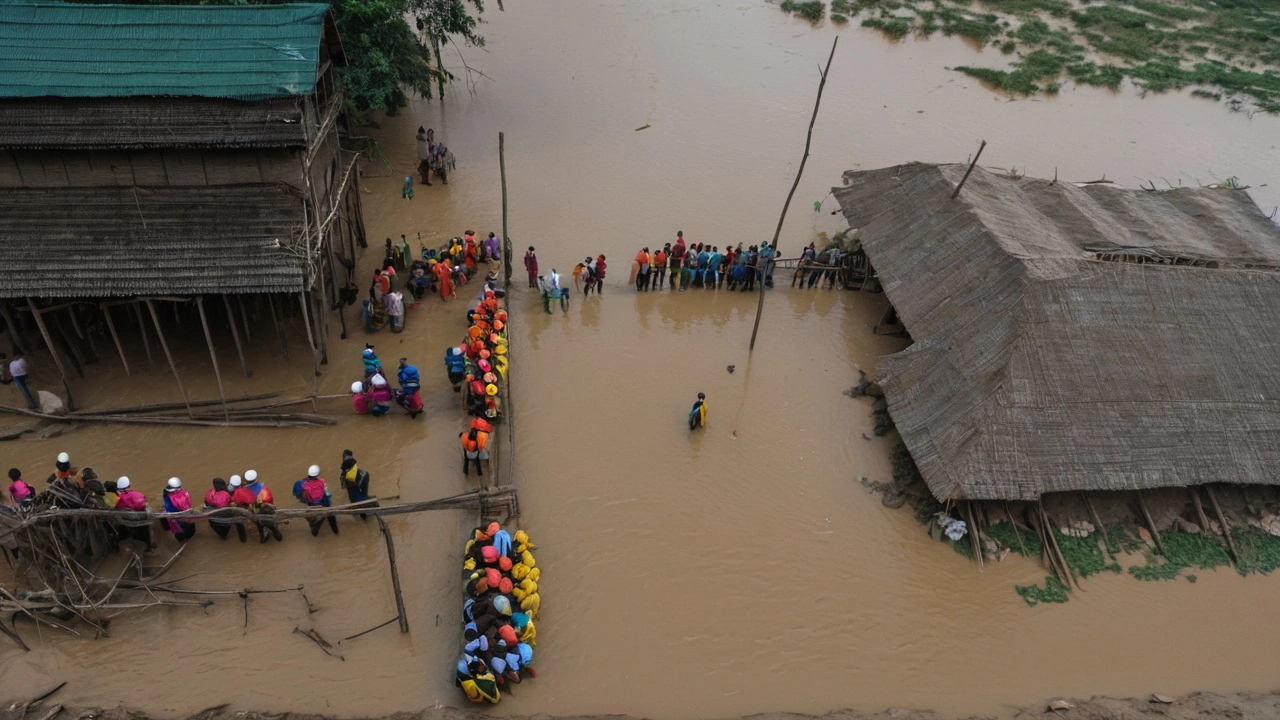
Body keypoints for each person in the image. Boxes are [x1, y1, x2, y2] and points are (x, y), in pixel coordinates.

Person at [293, 465, 338, 536]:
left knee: (316, 519)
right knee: (331, 517)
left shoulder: (300, 483)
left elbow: (296, 494)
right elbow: (327, 494)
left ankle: (314, 531)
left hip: (312, 505)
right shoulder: (322, 482)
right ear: (317, 474)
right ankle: (336, 532)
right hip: (324, 504)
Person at [114, 476, 153, 549]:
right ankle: (149, 546)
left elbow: (117, 507)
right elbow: (142, 503)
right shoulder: (137, 494)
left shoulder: (120, 499)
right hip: (140, 520)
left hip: (127, 520)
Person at [205, 477, 247, 542]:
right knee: (238, 519)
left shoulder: (209, 493)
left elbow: (206, 503)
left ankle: (222, 534)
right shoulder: (226, 495)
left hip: (214, 515)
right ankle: (243, 538)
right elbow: (230, 503)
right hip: (225, 514)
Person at [340, 450, 376, 519]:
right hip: (364, 475)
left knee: (355, 498)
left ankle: (362, 513)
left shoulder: (345, 470)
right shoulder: (352, 461)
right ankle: (367, 503)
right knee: (364, 493)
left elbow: (346, 483)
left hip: (355, 482)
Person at [162, 477, 197, 542]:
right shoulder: (174, 496)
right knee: (184, 530)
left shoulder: (166, 492)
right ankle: (185, 538)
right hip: (178, 515)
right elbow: (183, 505)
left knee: (180, 530)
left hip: (175, 515)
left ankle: (184, 538)